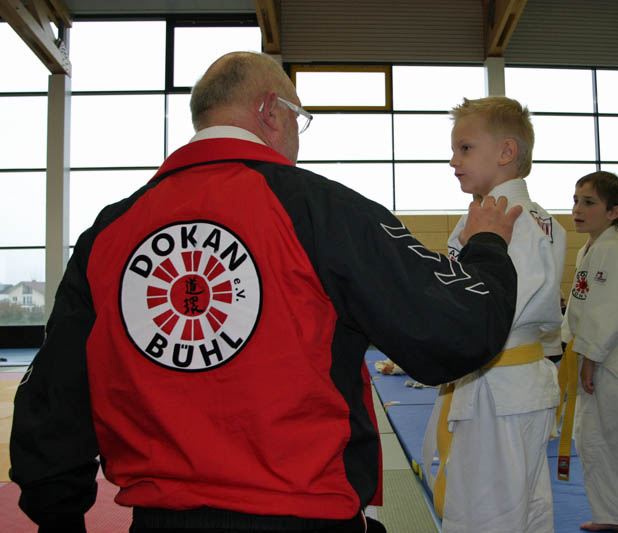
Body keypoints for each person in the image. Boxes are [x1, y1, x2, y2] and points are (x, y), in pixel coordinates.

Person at [10, 52, 524, 533]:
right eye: (300, 120)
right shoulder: (323, 212)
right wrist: (486, 247)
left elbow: (55, 398)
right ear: (270, 111)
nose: (299, 139)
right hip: (303, 513)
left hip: (160, 519)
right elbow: (458, 328)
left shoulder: (110, 231)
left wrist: (58, 514)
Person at [422, 96, 565, 533]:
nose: (453, 161)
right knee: (528, 506)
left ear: (506, 152)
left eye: (465, 148)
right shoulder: (544, 220)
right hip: (520, 384)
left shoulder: (502, 220)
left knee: (484, 514)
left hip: (495, 391)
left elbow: (484, 310)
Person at [561, 171, 618, 533]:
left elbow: (616, 309)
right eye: (575, 200)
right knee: (591, 441)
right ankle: (609, 514)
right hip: (588, 356)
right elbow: (582, 307)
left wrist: (591, 357)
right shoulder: (590, 248)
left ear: (614, 212)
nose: (577, 209)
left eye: (589, 202)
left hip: (609, 362)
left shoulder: (615, 249)